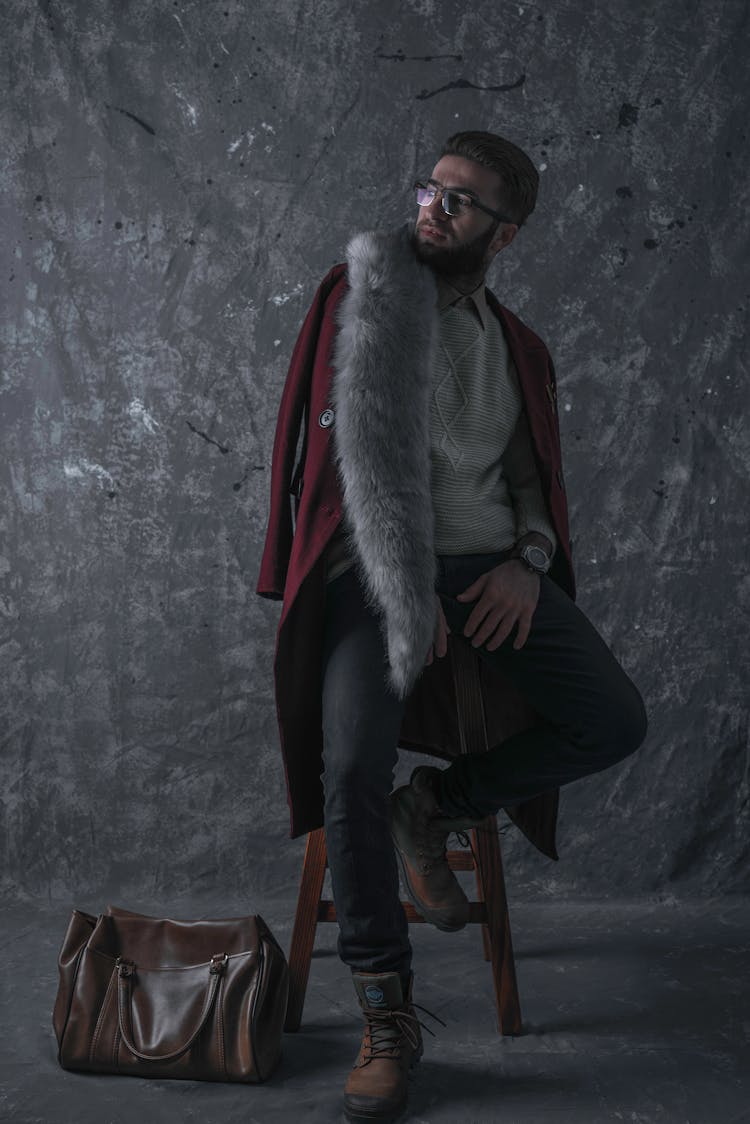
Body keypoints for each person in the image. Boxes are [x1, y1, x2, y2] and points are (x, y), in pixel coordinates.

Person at [257, 130, 647, 1123]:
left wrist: (526, 560)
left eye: (460, 201)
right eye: (429, 187)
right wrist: (407, 588)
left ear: (503, 234)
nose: (432, 207)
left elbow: (526, 479)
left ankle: (435, 804)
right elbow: (362, 468)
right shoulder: (369, 297)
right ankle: (388, 1018)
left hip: (485, 568)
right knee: (349, 764)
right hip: (375, 571)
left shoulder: (515, 344)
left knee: (612, 718)